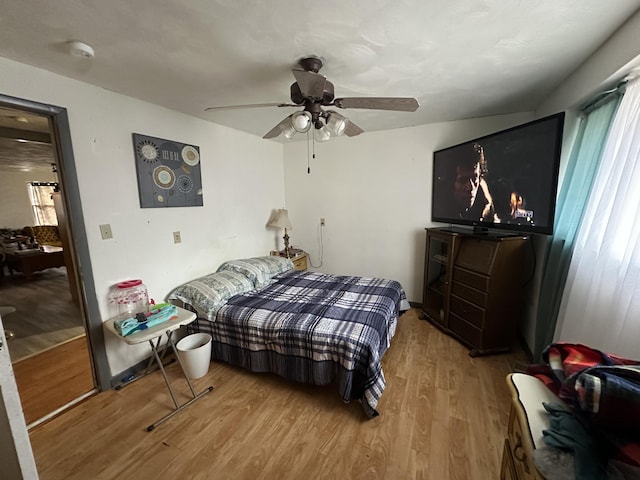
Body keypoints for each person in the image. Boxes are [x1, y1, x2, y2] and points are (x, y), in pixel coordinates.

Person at [451, 143, 495, 221]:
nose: (470, 188)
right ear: (450, 182)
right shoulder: (440, 207)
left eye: (474, 178)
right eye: (462, 180)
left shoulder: (485, 204)